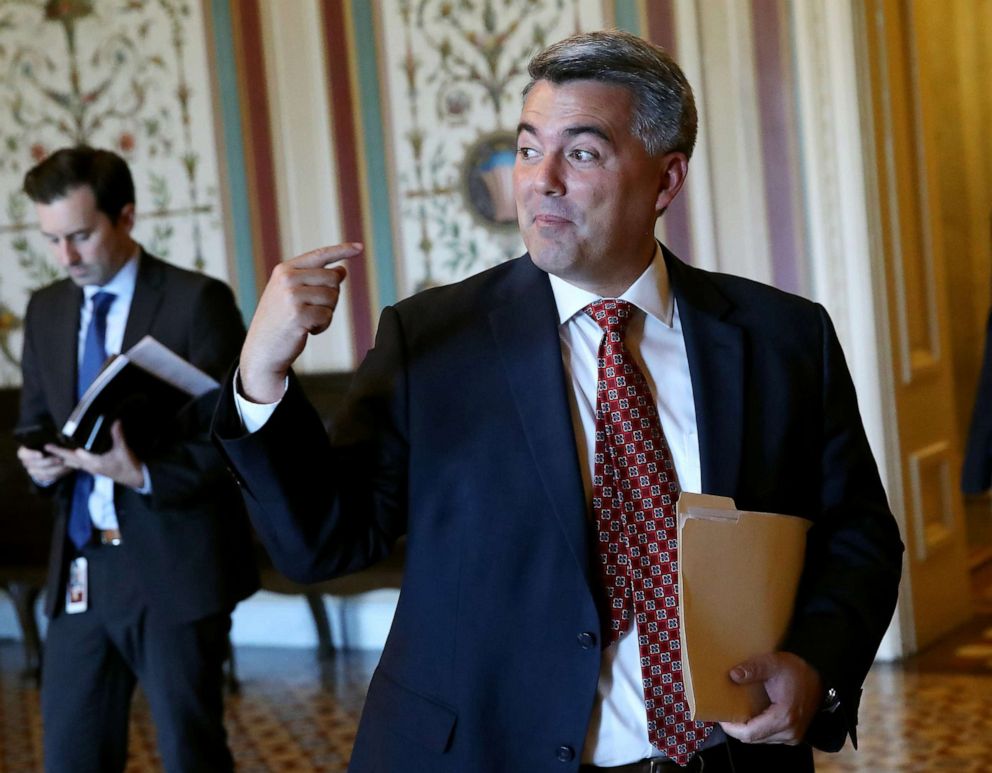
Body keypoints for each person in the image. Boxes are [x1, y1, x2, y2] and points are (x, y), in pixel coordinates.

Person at [213, 30, 904, 772]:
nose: (540, 180)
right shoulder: (433, 341)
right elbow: (324, 543)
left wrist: (814, 664)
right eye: (527, 148)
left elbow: (858, 536)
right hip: (485, 752)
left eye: (581, 153)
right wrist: (262, 375)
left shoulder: (783, 337)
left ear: (666, 182)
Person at [15, 146, 258, 773]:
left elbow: (236, 445)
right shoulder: (45, 311)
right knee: (71, 757)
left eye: (80, 236)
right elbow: (35, 418)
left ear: (125, 217)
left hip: (172, 564)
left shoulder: (196, 302)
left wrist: (142, 472)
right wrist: (36, 460)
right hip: (81, 565)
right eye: (51, 240)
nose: (65, 257)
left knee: (190, 756)